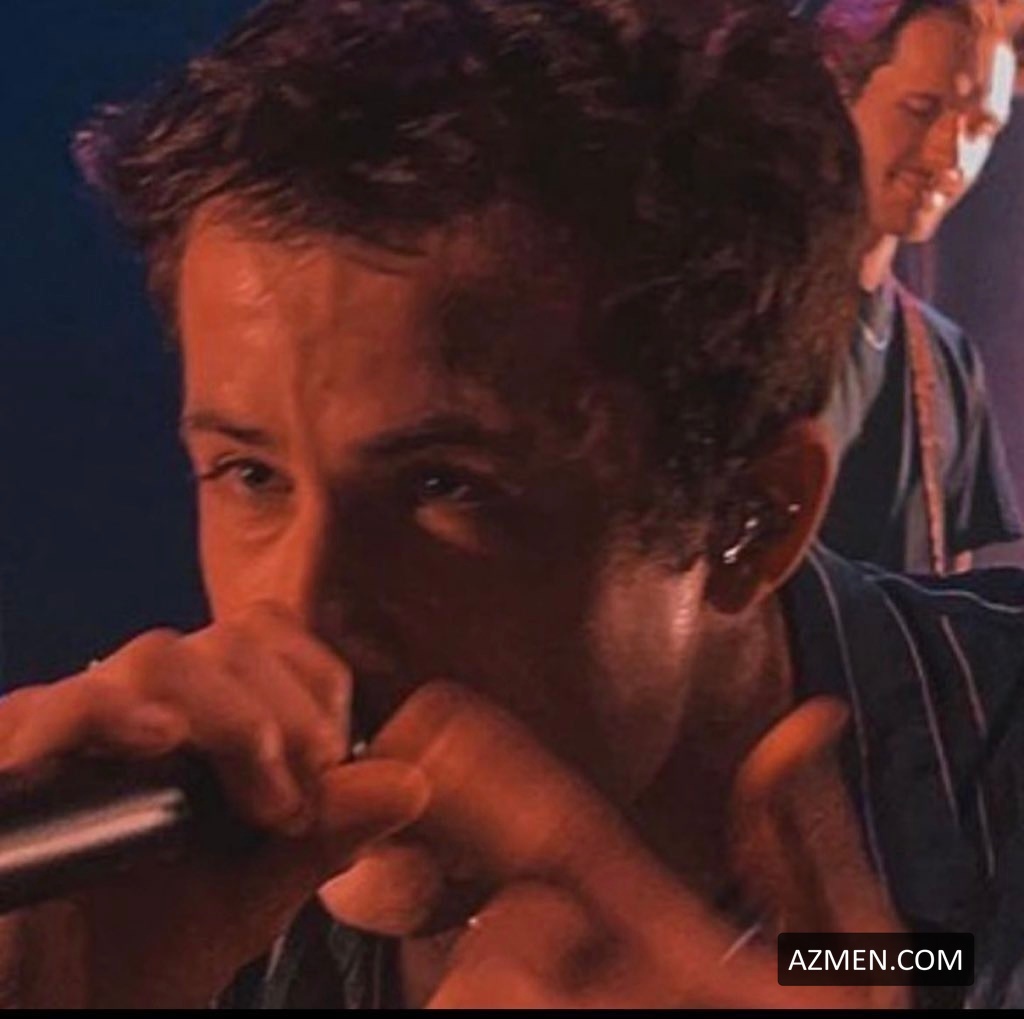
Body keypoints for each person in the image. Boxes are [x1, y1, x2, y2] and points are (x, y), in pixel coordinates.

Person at [0, 0, 1023, 1008]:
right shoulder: (159, 898)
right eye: (250, 474)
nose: (302, 625)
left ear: (748, 517)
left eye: (443, 485)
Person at [806, 0, 1023, 574]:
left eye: (981, 128)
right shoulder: (742, 319)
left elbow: (954, 595)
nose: (952, 156)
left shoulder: (949, 361)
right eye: (922, 108)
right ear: (838, 89)